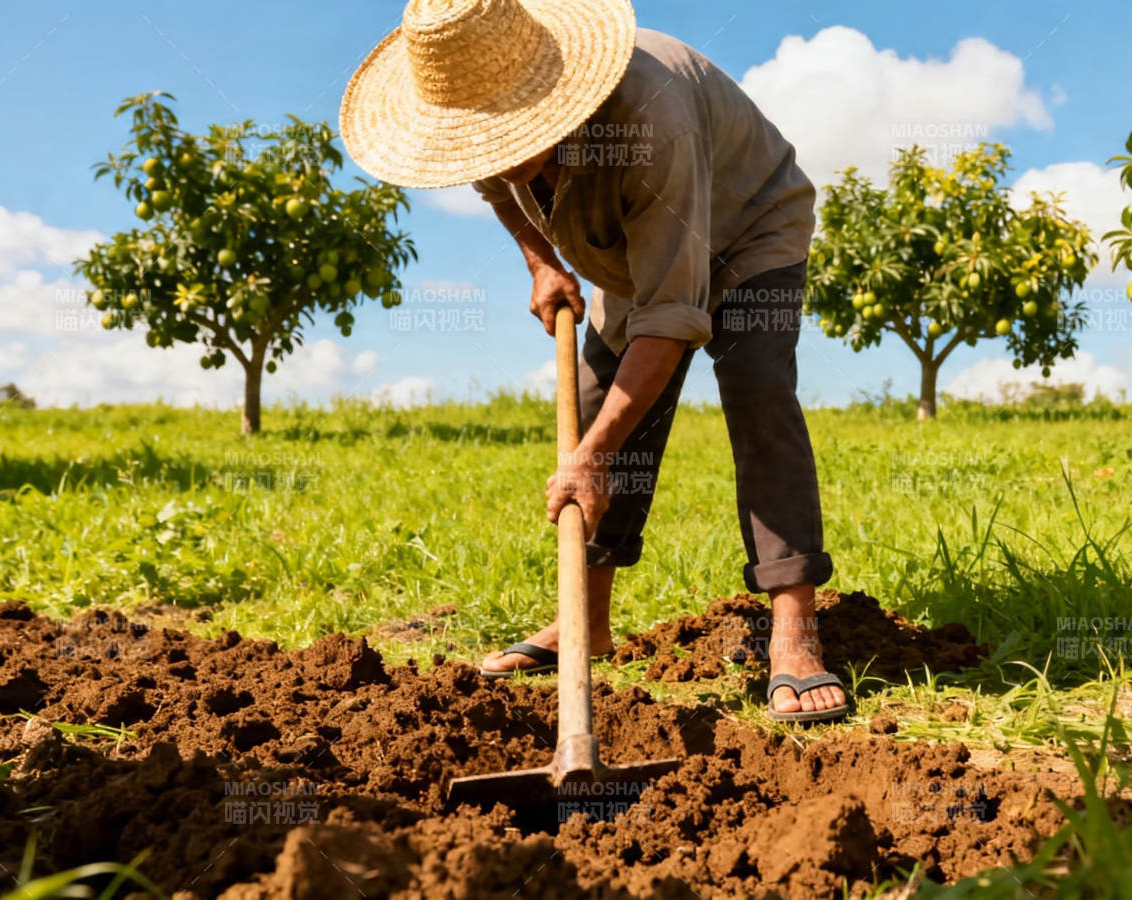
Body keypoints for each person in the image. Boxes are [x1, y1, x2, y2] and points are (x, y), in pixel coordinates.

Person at [341, 0, 846, 721]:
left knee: (756, 386)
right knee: (597, 395)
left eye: (512, 137)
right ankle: (587, 623)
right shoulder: (488, 129)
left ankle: (794, 631)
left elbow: (673, 316)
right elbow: (496, 185)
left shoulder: (650, 118)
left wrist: (595, 454)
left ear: (551, 97)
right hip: (625, 253)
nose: (501, 157)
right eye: (483, 142)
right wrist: (542, 263)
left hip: (747, 227)